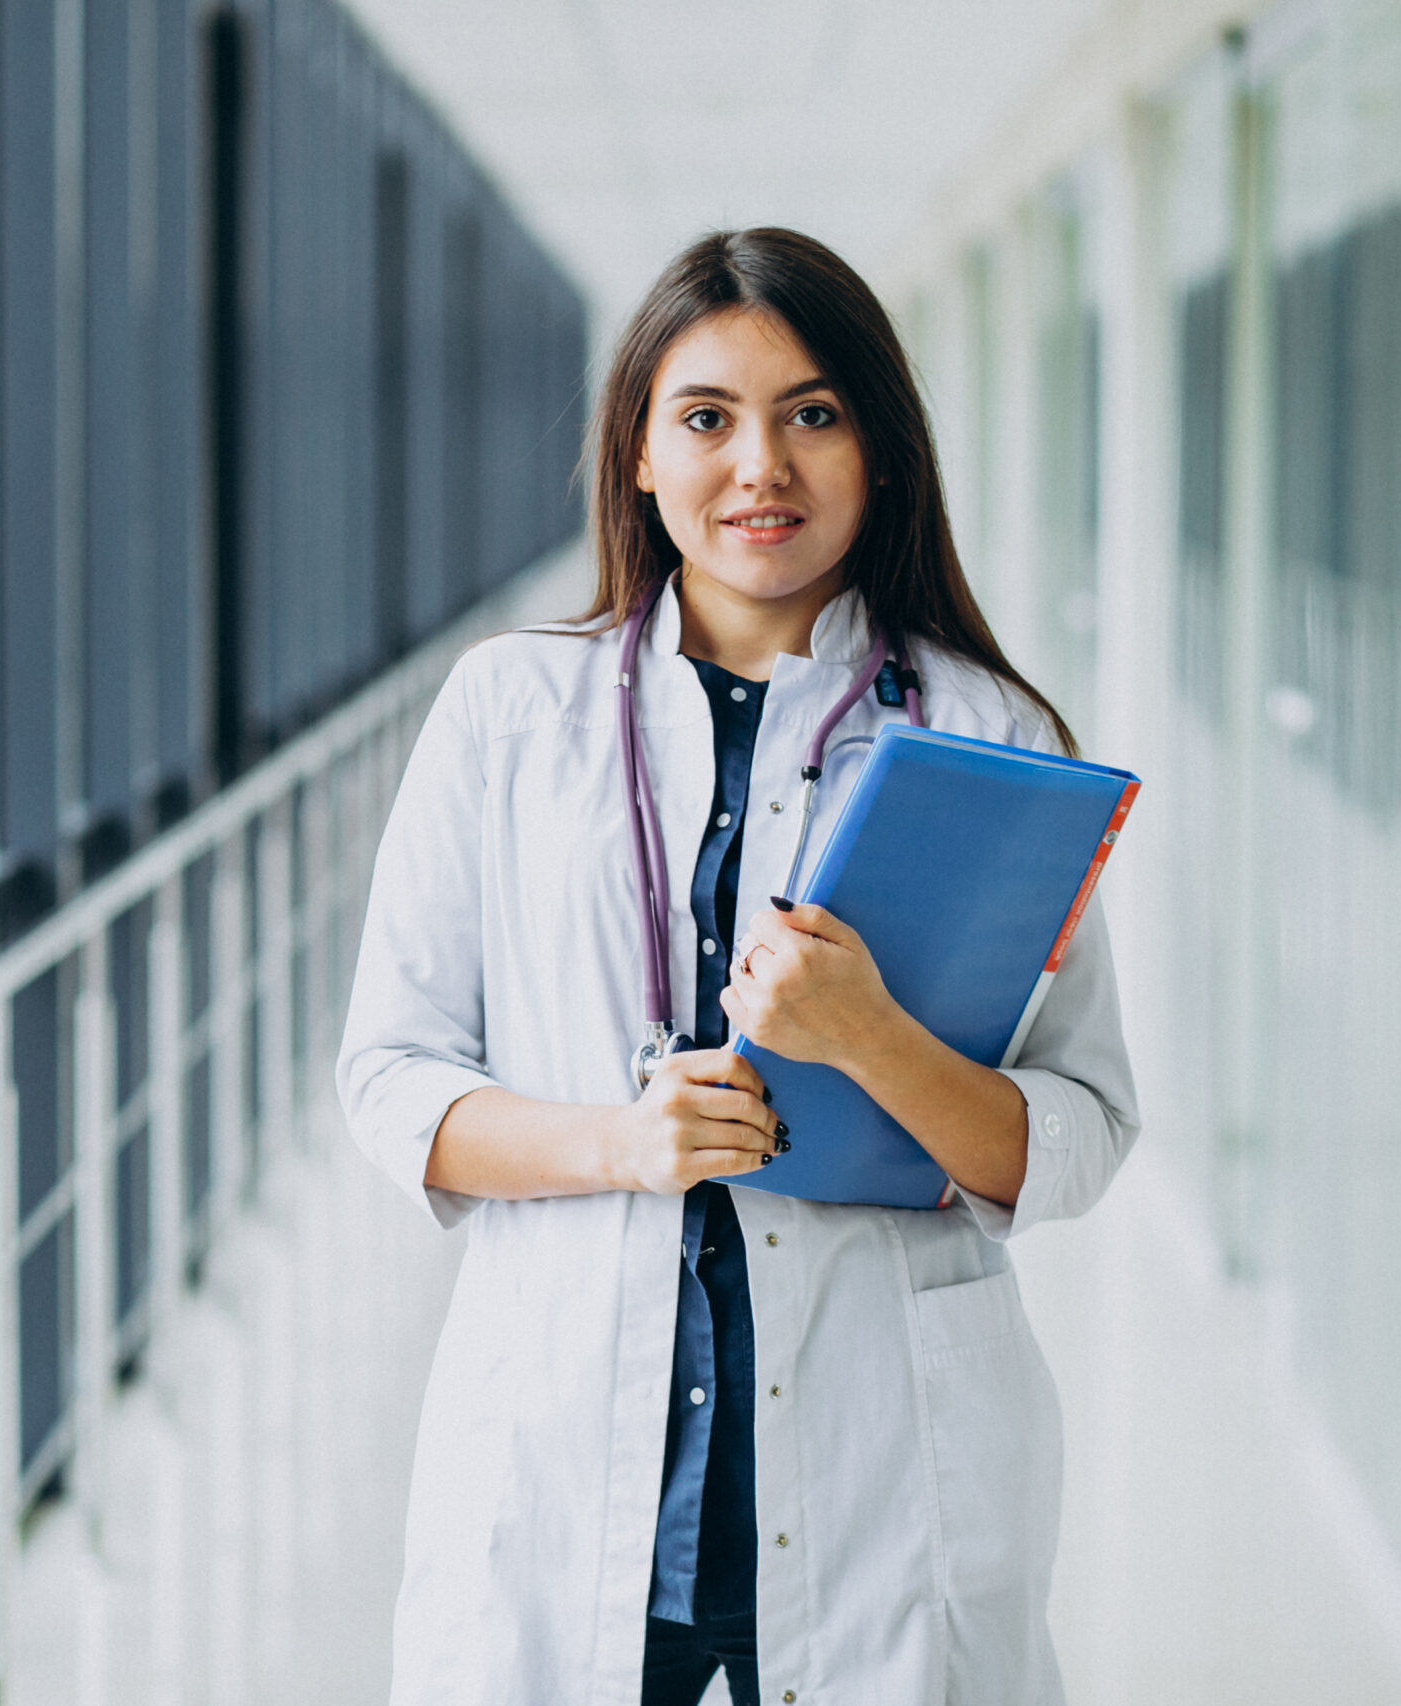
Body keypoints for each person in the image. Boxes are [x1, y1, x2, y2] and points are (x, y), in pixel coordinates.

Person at [336, 227, 1138, 1706]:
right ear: (639, 455)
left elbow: (1080, 1132)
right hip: (571, 1478)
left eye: (813, 414)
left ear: (881, 453)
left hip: (884, 1477)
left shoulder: (989, 739)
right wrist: (623, 1142)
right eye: (707, 417)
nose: (759, 464)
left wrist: (870, 1037)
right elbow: (391, 1079)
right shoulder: (510, 715)